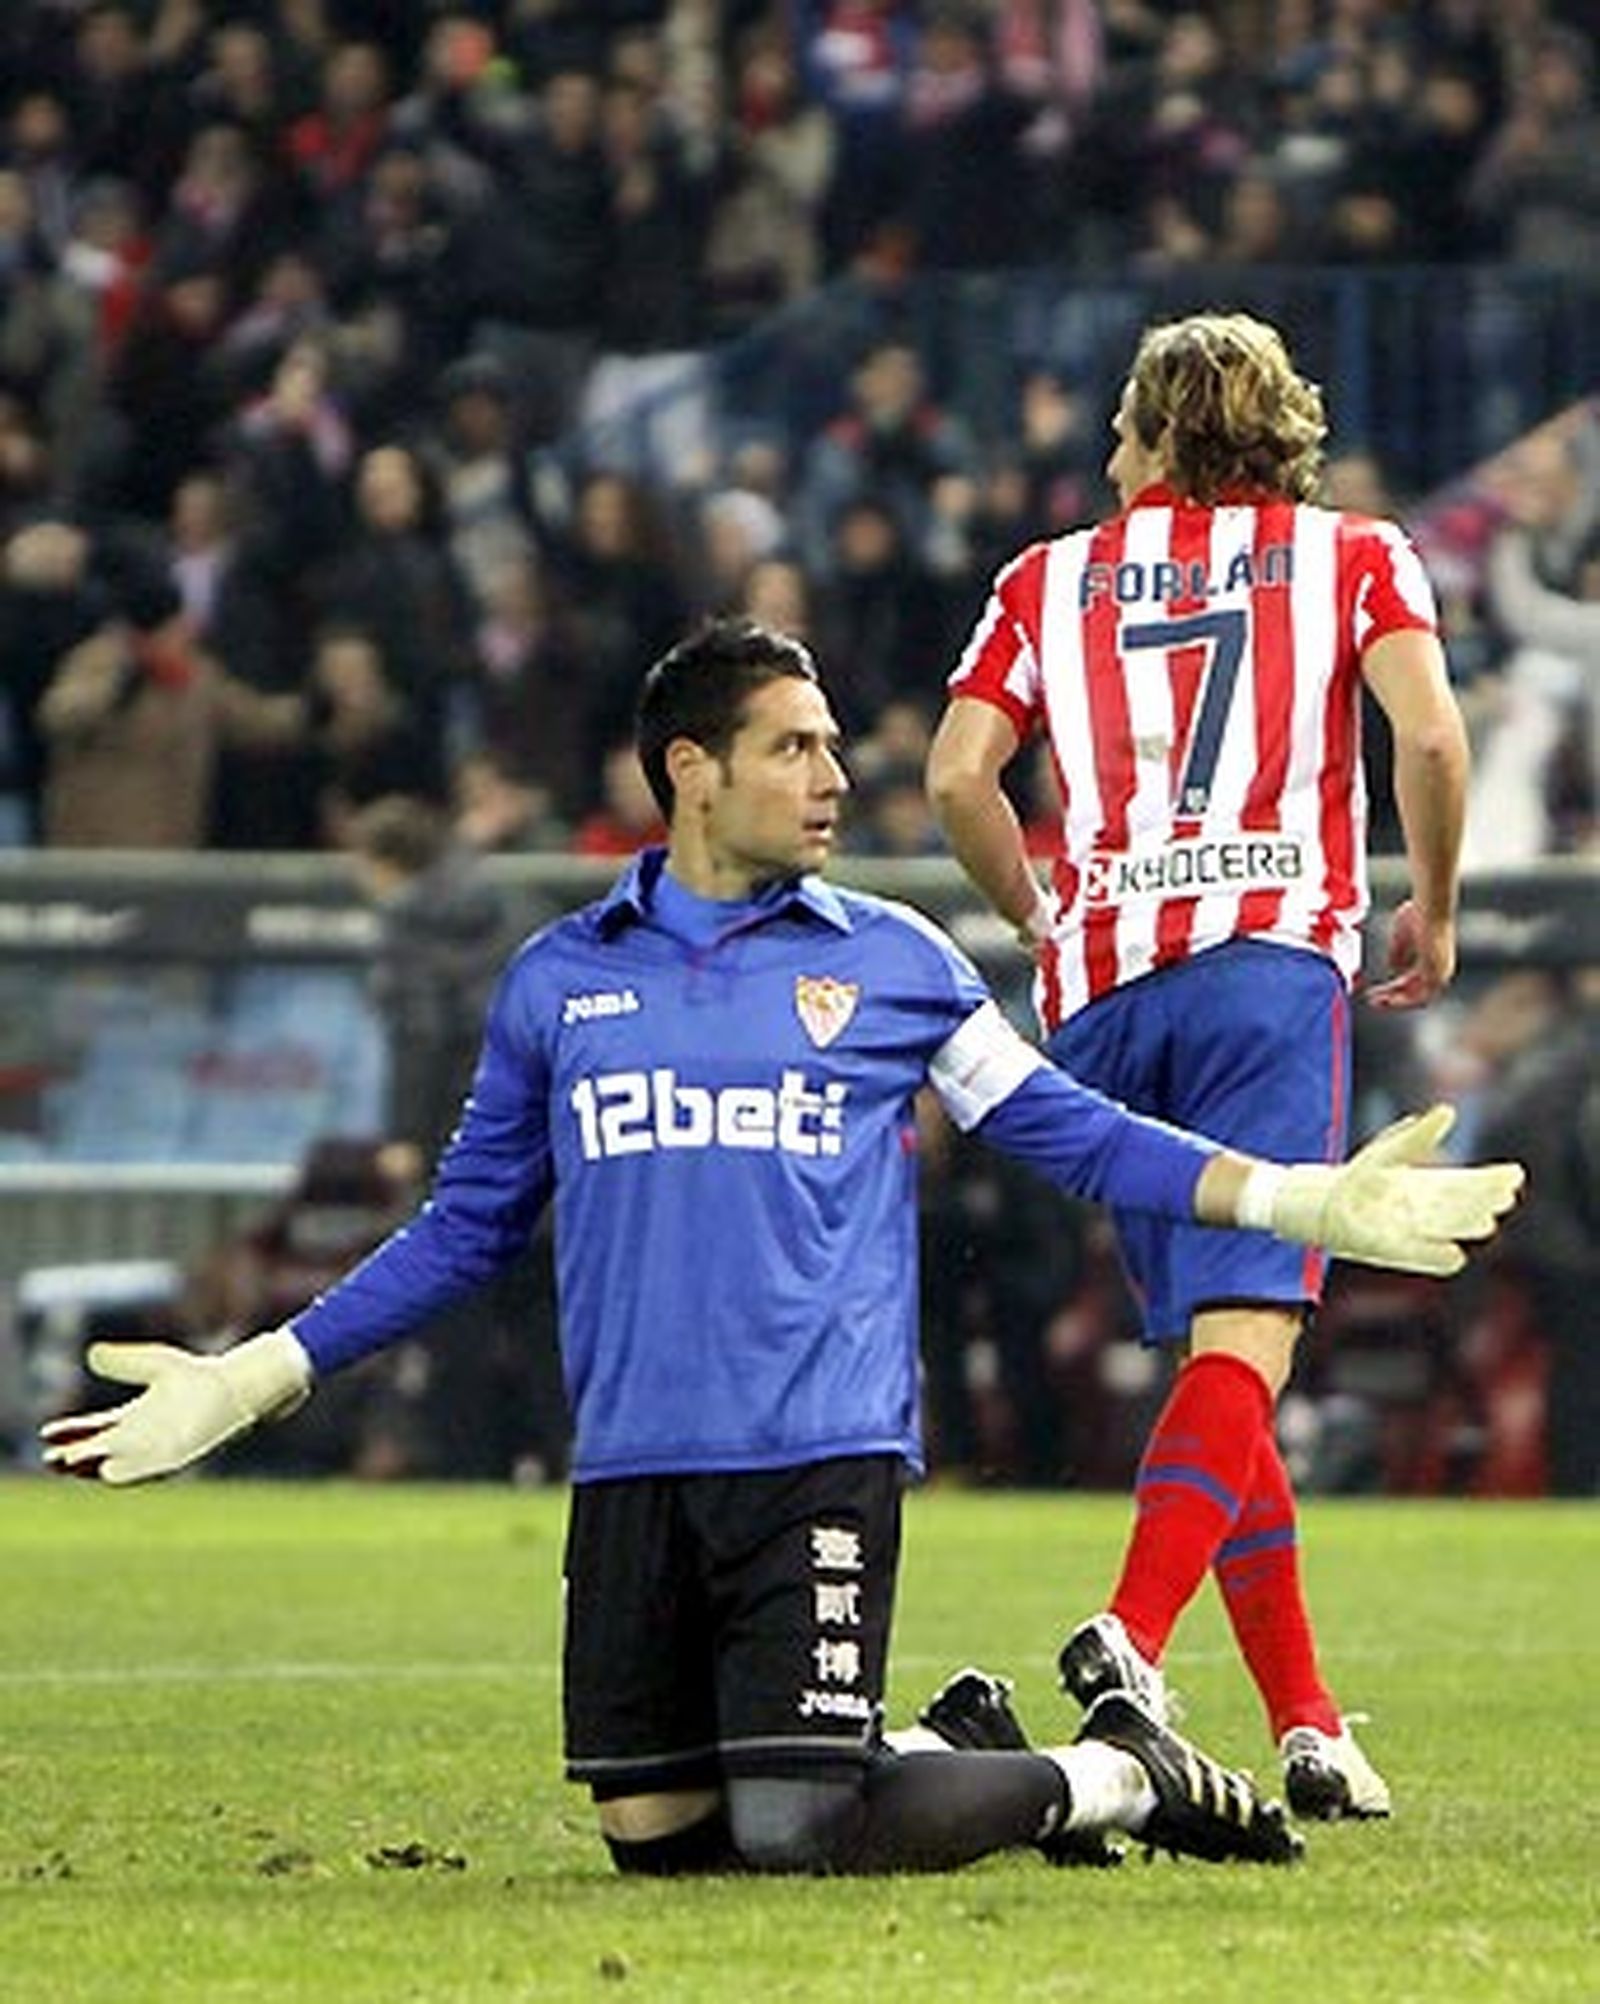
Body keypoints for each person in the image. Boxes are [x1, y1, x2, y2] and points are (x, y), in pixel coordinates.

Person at [42, 619, 1518, 1877]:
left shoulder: (892, 961)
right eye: (793, 748)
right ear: (693, 770)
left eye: (830, 747)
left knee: (802, 1822)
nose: (833, 778)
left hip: (817, 1449)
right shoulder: (558, 981)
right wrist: (252, 1376)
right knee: (661, 1841)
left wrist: (1291, 1200)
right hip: (633, 1462)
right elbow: (463, 1229)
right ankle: (960, 1745)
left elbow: (1071, 1133)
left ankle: (1116, 1773)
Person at [925, 311, 1475, 1822]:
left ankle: (1310, 1723)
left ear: (1168, 433)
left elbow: (960, 776)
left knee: (1213, 1369)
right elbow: (1431, 743)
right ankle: (1135, 1632)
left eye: (1123, 431)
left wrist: (1036, 912)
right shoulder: (1355, 557)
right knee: (1249, 1345)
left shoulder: (1044, 580)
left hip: (1105, 999)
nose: (1109, 459)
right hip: (1265, 971)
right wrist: (1435, 902)